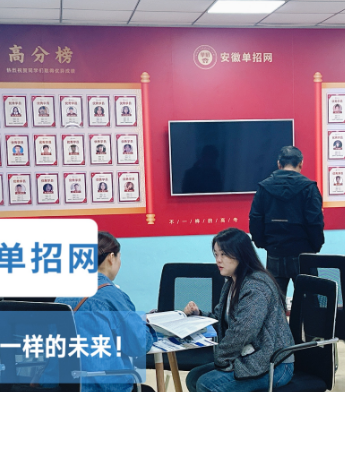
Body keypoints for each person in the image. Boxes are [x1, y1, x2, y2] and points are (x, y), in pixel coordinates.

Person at [184, 228, 295, 392]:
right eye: (216, 254)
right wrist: (199, 315)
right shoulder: (232, 282)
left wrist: (221, 359)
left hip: (274, 364)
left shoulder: (256, 286)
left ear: (240, 254)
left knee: (206, 384)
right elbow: (222, 319)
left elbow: (243, 331)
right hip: (248, 357)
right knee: (193, 378)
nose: (218, 260)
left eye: (224, 254)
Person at [55, 231, 157, 392]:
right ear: (111, 258)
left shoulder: (63, 294)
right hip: (103, 387)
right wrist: (143, 324)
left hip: (61, 387)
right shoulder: (111, 295)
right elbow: (139, 345)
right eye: (119, 257)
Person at [249, 146, 324, 295]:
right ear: (300, 164)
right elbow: (315, 222)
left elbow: (255, 219)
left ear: (279, 164)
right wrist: (315, 246)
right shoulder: (309, 188)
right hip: (304, 253)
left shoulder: (264, 187)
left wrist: (264, 244)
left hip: (275, 252)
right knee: (309, 300)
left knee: (274, 302)